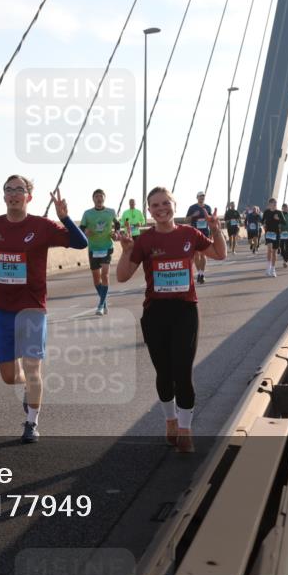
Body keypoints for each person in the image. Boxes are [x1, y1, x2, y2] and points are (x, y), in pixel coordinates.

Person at [0, 176, 88, 443]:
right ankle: (28, 387)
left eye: (19, 189)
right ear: (3, 196)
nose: (14, 194)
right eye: (9, 190)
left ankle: (31, 423)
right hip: (3, 309)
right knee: (8, 376)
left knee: (34, 367)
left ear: (29, 196)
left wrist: (66, 218)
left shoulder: (41, 225)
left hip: (33, 308)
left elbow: (81, 243)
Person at [114, 187, 226, 453]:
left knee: (183, 371)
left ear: (175, 206)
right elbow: (122, 276)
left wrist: (216, 230)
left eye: (166, 203)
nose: (161, 208)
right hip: (155, 313)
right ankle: (170, 420)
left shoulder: (189, 234)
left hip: (185, 311)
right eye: (155, 205)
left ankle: (186, 429)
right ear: (149, 211)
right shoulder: (144, 239)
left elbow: (219, 254)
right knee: (164, 372)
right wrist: (126, 250)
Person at [79, 189, 119, 315]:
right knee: (96, 279)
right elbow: (81, 227)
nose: (99, 198)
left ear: (104, 198)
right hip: (93, 248)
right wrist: (85, 231)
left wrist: (115, 233)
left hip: (107, 246)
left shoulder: (111, 211)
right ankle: (104, 301)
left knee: (105, 275)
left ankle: (101, 305)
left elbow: (117, 224)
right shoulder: (87, 213)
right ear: (93, 199)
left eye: (101, 196)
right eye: (96, 196)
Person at [185, 192, 213, 283]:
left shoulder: (208, 207)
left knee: (204, 254)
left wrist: (212, 232)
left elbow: (210, 221)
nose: (202, 197)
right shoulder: (192, 208)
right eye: (200, 196)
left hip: (205, 233)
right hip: (195, 233)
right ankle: (199, 273)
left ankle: (201, 274)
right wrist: (193, 215)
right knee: (197, 254)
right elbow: (186, 220)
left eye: (203, 196)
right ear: (197, 197)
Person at [262, 198, 284, 277]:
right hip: (268, 233)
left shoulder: (279, 212)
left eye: (276, 203)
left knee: (274, 252)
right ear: (270, 204)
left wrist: (278, 219)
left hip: (276, 233)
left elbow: (284, 222)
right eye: (274, 203)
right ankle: (268, 268)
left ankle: (273, 269)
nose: (275, 205)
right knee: (269, 249)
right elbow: (262, 220)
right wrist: (263, 224)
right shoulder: (266, 212)